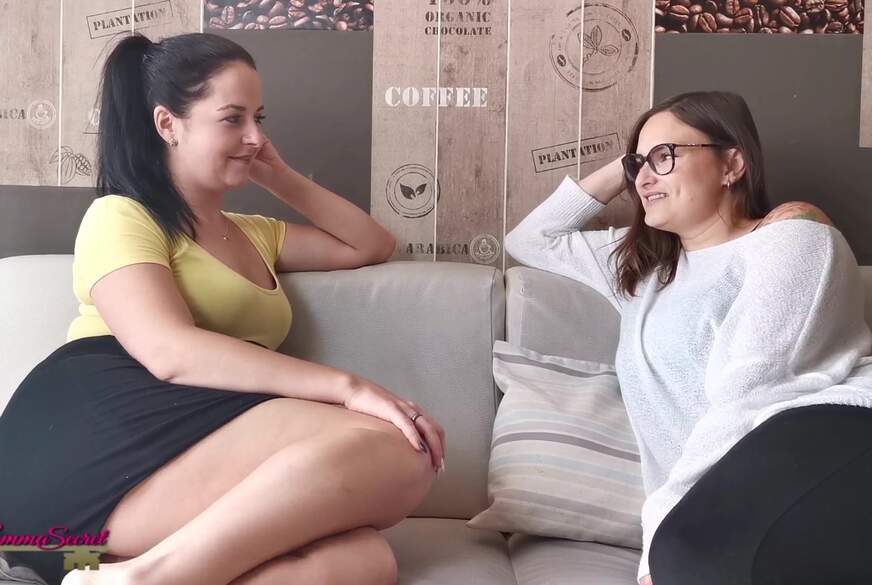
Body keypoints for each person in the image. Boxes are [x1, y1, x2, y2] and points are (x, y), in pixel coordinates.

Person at [0, 32, 445, 585]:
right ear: (168, 124)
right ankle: (147, 577)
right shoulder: (121, 215)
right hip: (75, 468)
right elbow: (168, 352)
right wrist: (347, 387)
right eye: (233, 119)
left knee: (364, 562)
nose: (255, 136)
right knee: (401, 449)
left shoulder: (255, 234)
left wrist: (279, 177)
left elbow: (371, 245)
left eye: (259, 118)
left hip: (125, 515)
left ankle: (127, 575)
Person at [505, 90, 872, 585]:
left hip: (829, 434)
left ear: (732, 164)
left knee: (690, 558)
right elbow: (529, 239)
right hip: (725, 493)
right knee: (692, 557)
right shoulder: (641, 270)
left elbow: (754, 387)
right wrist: (632, 163)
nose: (644, 178)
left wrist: (663, 528)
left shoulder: (791, 237)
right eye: (639, 164)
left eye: (666, 155)